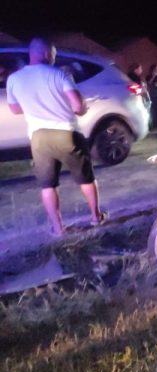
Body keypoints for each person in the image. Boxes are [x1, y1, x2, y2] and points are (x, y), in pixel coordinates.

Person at [6, 38, 105, 237]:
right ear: (45, 53)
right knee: (86, 178)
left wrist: (35, 104)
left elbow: (15, 109)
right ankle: (96, 217)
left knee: (48, 185)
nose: (53, 58)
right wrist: (82, 108)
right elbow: (78, 106)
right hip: (66, 133)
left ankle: (58, 228)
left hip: (39, 137)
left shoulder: (14, 79)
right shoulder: (59, 74)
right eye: (53, 54)